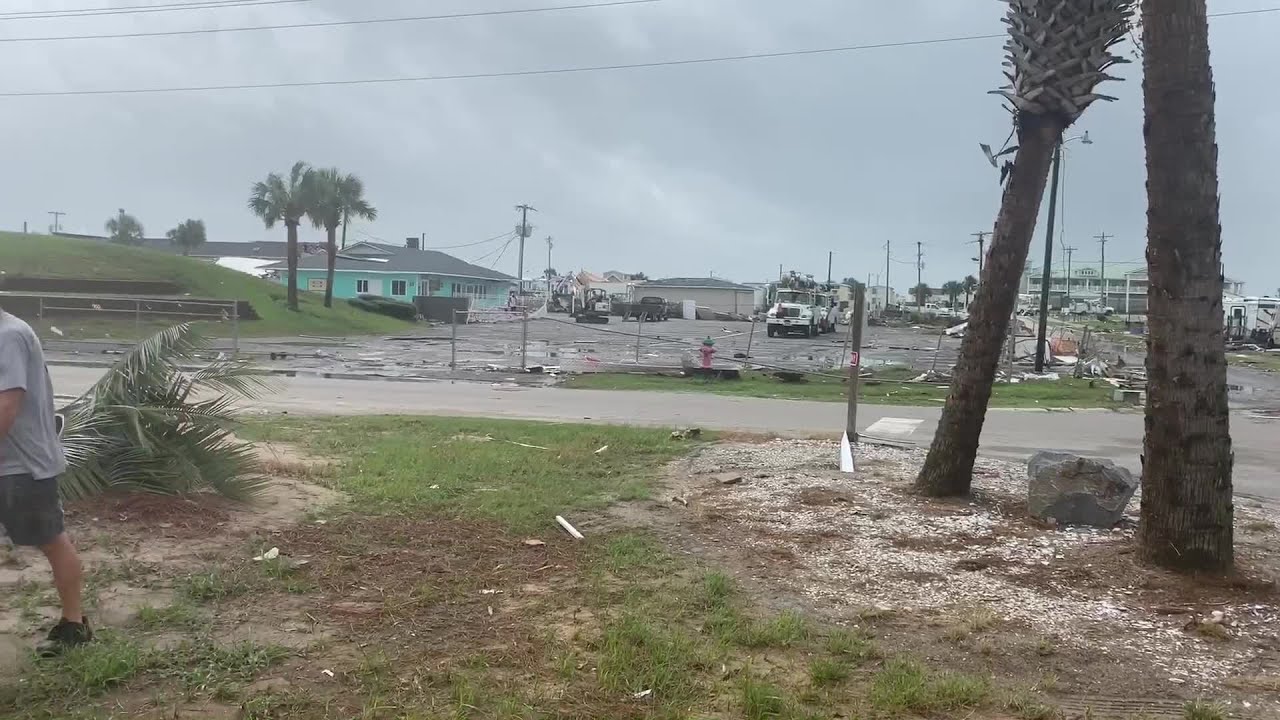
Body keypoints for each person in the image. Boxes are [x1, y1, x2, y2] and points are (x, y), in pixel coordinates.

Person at [0, 308, 91, 656]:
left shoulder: (9, 335)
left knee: (51, 540)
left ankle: (74, 624)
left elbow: (6, 407)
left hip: (22, 467)